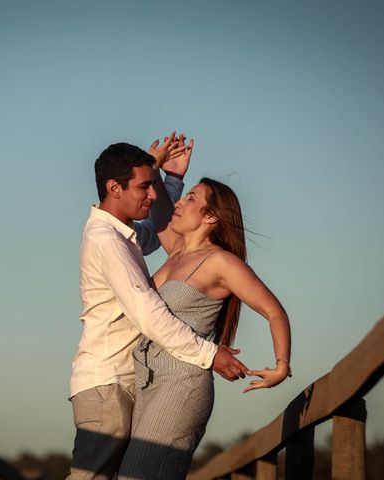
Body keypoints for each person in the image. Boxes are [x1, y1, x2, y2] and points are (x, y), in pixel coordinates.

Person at [68, 135, 250, 480]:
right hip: (108, 381)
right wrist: (209, 355)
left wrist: (172, 180)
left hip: (122, 382)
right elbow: (148, 313)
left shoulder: (122, 235)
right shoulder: (107, 242)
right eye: (143, 187)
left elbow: (161, 231)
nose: (151, 196)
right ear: (114, 187)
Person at [117, 170, 292, 479]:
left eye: (191, 198)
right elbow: (159, 212)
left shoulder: (219, 262)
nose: (181, 201)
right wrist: (166, 172)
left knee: (134, 475)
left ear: (211, 217)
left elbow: (274, 311)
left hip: (182, 383)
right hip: (148, 380)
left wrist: (281, 365)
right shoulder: (177, 251)